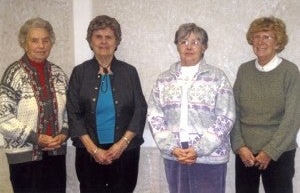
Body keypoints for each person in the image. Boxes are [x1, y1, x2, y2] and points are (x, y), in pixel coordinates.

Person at [147, 23, 235, 193]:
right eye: (183, 41)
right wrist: (172, 148)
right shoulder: (163, 80)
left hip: (210, 157)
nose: (189, 46)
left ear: (204, 47)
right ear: (177, 46)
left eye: (195, 42)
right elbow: (154, 116)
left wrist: (198, 149)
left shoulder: (218, 77)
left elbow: (226, 117)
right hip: (175, 156)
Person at [67, 15, 147, 193]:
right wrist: (94, 150)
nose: (104, 41)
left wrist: (121, 145)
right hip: (88, 153)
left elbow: (140, 109)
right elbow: (73, 113)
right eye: (98, 37)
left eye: (109, 37)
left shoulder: (129, 72)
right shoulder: (79, 73)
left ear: (116, 41)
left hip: (125, 152)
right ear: (90, 41)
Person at [230, 16, 300, 193]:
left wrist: (270, 151)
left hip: (279, 153)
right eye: (257, 36)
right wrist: (239, 146)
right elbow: (232, 110)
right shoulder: (244, 70)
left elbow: (292, 117)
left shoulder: (290, 72)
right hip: (246, 153)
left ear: (278, 43)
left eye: (267, 37)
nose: (260, 41)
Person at [0, 17, 69, 192]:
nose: (41, 45)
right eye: (34, 40)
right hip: (24, 159)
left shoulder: (58, 74)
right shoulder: (14, 73)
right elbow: (3, 116)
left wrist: (64, 133)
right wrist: (35, 138)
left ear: (51, 43)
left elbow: (70, 111)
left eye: (45, 40)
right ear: (25, 43)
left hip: (55, 155)